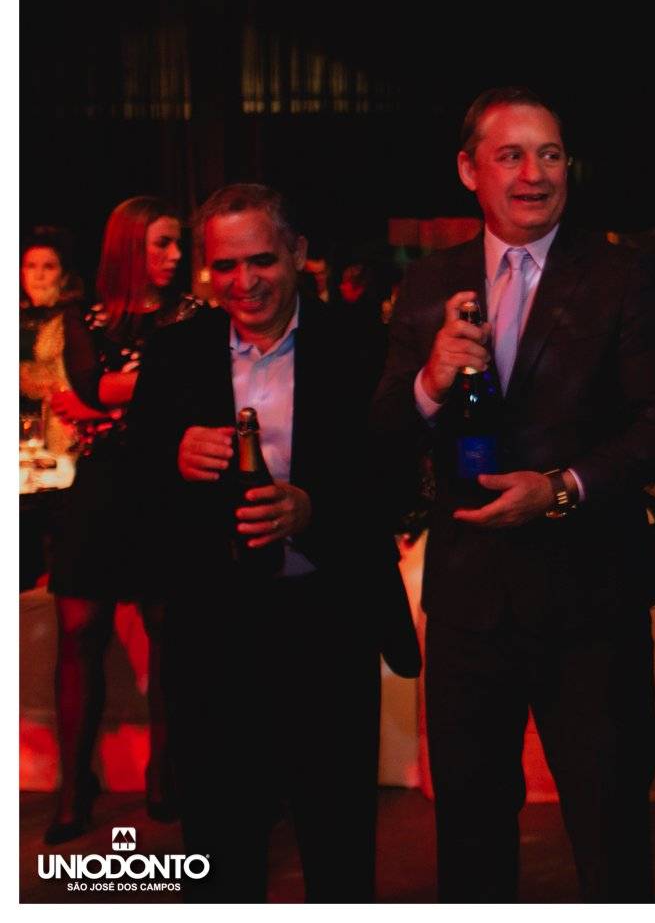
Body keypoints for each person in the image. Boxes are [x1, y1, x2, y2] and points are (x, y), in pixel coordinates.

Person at [369, 86, 655, 902]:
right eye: (510, 155)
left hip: (592, 600)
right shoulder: (428, 283)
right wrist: (430, 380)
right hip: (470, 605)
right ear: (467, 169)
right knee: (470, 833)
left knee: (610, 833)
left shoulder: (616, 275)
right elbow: (383, 430)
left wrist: (562, 488)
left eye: (549, 154)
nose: (534, 173)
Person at [129, 183, 420, 901]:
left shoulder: (361, 343)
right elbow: (131, 488)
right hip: (213, 629)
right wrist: (170, 455)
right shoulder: (174, 352)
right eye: (226, 266)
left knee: (336, 838)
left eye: (260, 260)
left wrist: (313, 508)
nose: (244, 282)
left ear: (296, 252)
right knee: (218, 840)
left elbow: (400, 479)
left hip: (329, 617)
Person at [43, 197, 199, 845]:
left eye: (178, 243)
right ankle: (73, 786)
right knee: (79, 631)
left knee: (170, 634)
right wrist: (137, 389)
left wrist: (117, 393)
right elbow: (87, 387)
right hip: (103, 486)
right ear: (128, 246)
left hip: (167, 485)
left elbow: (187, 389)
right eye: (162, 243)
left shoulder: (193, 315)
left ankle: (165, 774)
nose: (175, 255)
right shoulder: (85, 315)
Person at [20, 235, 81, 453]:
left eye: (49, 267)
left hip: (57, 426)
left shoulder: (73, 320)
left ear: (63, 276)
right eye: (31, 266)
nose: (39, 275)